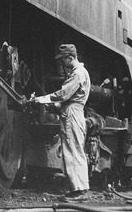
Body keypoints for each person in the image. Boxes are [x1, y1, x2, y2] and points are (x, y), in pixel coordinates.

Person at [30, 43, 92, 198]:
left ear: (70, 57)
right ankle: (79, 188)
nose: (61, 63)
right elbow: (65, 101)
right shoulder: (81, 72)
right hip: (72, 112)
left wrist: (40, 99)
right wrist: (54, 107)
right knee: (75, 150)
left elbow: (62, 95)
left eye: (63, 60)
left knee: (71, 150)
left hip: (72, 114)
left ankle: (78, 190)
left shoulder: (78, 74)